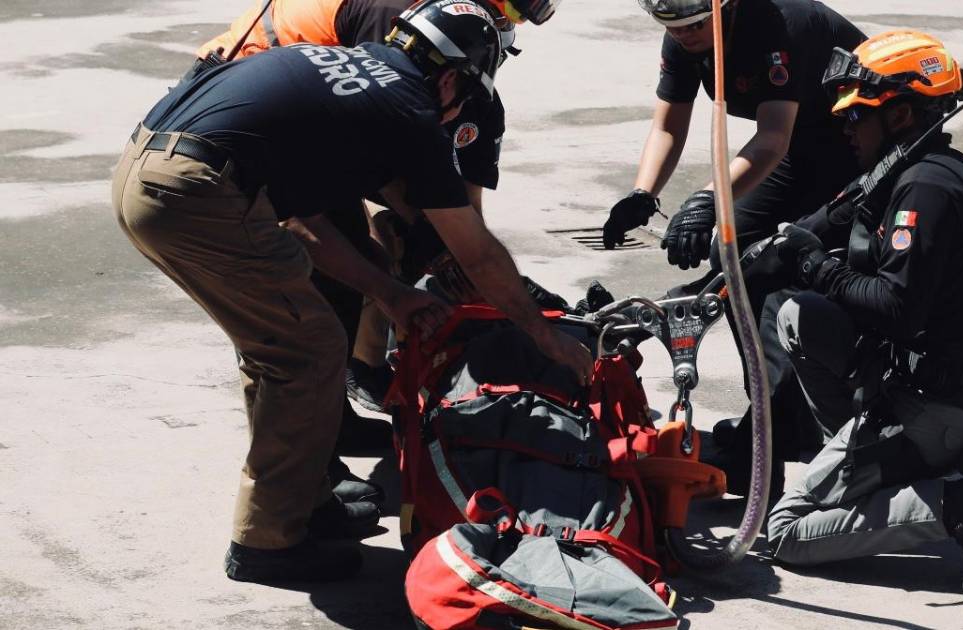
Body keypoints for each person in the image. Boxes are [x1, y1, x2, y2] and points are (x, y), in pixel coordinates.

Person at [113, 0, 590, 583]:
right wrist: (540, 334)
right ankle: (268, 545)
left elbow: (305, 221)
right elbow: (475, 249)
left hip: (150, 169)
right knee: (307, 351)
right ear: (447, 78)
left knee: (281, 346)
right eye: (466, 93)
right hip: (197, 191)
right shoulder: (410, 113)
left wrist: (391, 294)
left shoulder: (350, 76)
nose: (463, 107)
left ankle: (303, 499)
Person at [193, 0, 560, 504]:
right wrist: (435, 245)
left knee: (380, 260)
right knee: (312, 299)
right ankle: (312, 467)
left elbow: (461, 210)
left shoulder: (450, 45)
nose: (515, 23)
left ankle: (335, 420)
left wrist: (464, 261)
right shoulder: (395, 15)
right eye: (517, 7)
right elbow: (383, 142)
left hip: (315, 120)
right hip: (244, 115)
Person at [757, 31, 963, 598]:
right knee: (796, 316)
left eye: (857, 116)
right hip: (943, 386)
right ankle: (862, 469)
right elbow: (816, 227)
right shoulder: (913, 167)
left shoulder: (925, 190)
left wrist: (817, 269)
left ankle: (962, 505)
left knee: (786, 533)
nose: (846, 129)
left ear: (901, 113)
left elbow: (894, 309)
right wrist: (741, 258)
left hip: (942, 406)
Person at [602, 0, 868, 495]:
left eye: (697, 24)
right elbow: (668, 124)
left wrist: (705, 199)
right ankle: (772, 425)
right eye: (672, 26)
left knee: (774, 273)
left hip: (857, 148)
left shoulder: (773, 27)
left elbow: (771, 140)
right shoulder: (685, 35)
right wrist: (644, 194)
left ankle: (775, 434)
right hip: (804, 141)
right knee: (735, 249)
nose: (686, 34)